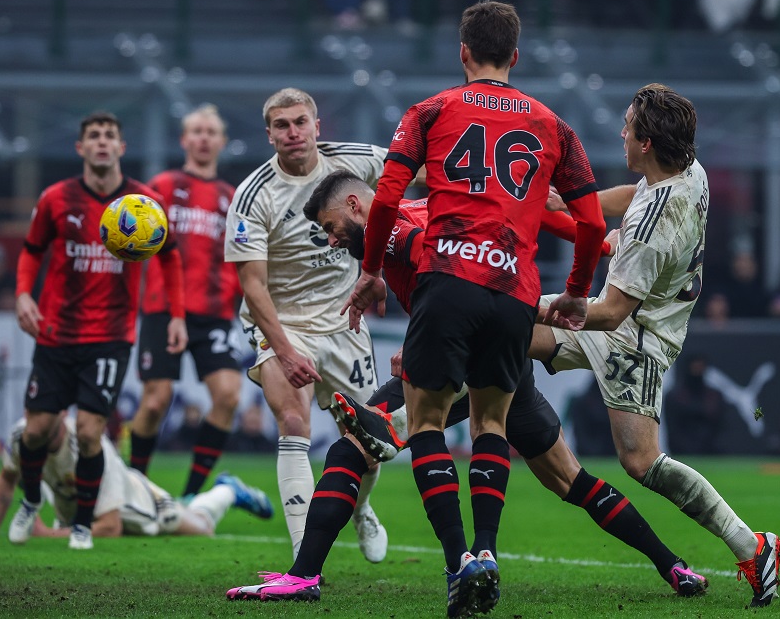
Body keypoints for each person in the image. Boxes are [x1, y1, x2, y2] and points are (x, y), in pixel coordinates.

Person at [226, 170, 707, 605]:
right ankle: (674, 565)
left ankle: (310, 573)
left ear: (356, 205)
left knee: (355, 447)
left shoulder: (389, 227)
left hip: (462, 347)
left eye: (332, 227)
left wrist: (423, 341)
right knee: (568, 478)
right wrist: (600, 246)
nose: (332, 241)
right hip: (505, 339)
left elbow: (435, 264)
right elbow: (516, 223)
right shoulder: (417, 213)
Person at [343, 1, 607, 617]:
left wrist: (373, 270)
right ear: (516, 56)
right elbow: (591, 222)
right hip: (515, 290)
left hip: (447, 279)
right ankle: (488, 552)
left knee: (427, 421)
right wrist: (573, 289)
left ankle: (460, 559)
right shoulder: (552, 125)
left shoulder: (431, 110)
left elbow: (385, 199)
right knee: (492, 425)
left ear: (462, 52)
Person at [529, 84, 780, 608]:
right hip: (632, 320)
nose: (621, 133)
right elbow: (634, 193)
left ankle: (753, 545)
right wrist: (572, 203)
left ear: (646, 143)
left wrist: (538, 302)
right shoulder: (690, 170)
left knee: (640, 462)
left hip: (634, 342)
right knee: (502, 339)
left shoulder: (646, 234)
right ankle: (397, 428)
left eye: (627, 127)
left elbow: (608, 312)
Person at [9, 111, 189, 551]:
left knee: (90, 432)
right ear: (81, 148)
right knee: (35, 432)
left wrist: (177, 315)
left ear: (122, 148)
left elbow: (171, 257)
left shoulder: (144, 204)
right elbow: (31, 251)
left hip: (110, 336)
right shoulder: (56, 199)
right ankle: (32, 499)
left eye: (110, 135)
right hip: (55, 333)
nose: (103, 142)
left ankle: (82, 525)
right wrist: (22, 295)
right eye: (94, 136)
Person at [224, 87, 388, 563]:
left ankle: (361, 510)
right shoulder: (254, 194)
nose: (292, 132)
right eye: (281, 125)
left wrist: (377, 271)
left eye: (300, 122)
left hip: (344, 321)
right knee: (293, 422)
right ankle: (303, 554)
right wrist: (285, 350)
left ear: (318, 126)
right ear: (270, 134)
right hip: (282, 321)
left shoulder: (354, 160)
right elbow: (253, 287)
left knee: (368, 441)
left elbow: (419, 172)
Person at [128, 104, 247, 501]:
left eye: (210, 132)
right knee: (155, 401)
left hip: (213, 314)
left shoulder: (232, 198)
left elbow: (243, 259)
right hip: (163, 310)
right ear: (184, 140)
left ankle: (191, 497)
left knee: (228, 397)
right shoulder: (161, 186)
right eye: (196, 131)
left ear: (221, 142)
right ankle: (134, 489)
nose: (203, 138)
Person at [0, 412, 272, 541]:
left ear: (63, 415)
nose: (34, 420)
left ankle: (228, 490)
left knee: (202, 529)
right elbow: (7, 477)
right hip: (81, 513)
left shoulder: (91, 451)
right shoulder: (22, 435)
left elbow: (111, 527)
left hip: (134, 502)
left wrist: (48, 534)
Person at [664, 355, 726, 455]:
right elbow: (673, 428)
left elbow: (720, 424)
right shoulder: (674, 396)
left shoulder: (714, 395)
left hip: (710, 450)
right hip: (681, 451)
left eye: (700, 367)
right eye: (694, 367)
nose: (697, 370)